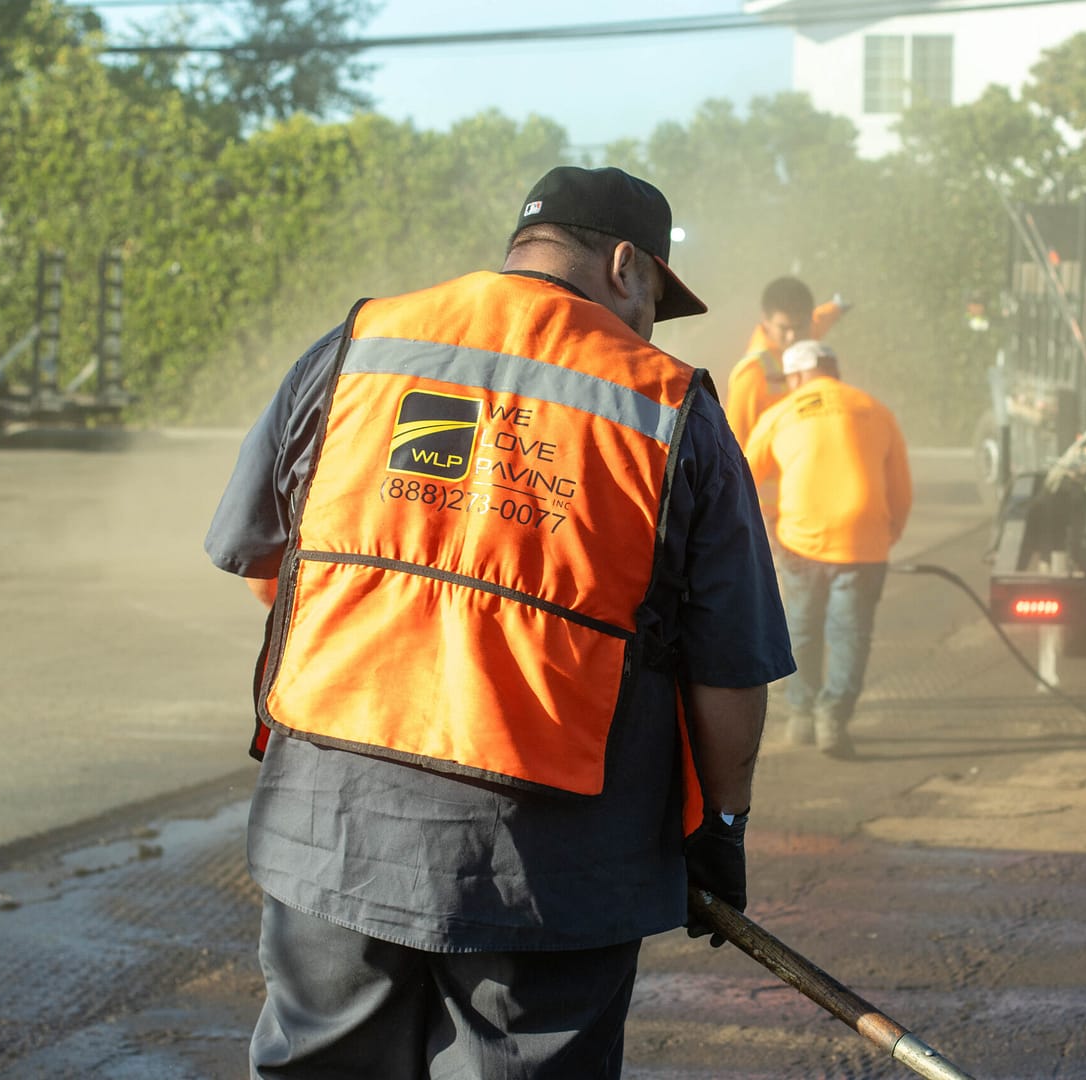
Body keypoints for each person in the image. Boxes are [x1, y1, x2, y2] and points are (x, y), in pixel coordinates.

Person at [204, 164, 793, 1080]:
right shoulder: (670, 407)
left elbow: (267, 566)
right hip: (550, 866)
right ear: (626, 265)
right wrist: (721, 826)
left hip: (332, 820)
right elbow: (728, 675)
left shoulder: (359, 345)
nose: (645, 325)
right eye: (654, 300)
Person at [743, 339, 911, 758]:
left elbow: (741, 474)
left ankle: (800, 716)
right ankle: (832, 717)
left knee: (800, 627)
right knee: (850, 634)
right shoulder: (875, 409)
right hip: (863, 543)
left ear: (798, 377)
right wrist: (887, 535)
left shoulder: (781, 412)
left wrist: (763, 521)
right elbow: (901, 489)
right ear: (833, 370)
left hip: (801, 542)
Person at [725, 276, 848, 451]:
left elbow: (822, 318)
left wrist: (838, 307)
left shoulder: (806, 333)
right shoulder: (752, 375)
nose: (792, 337)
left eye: (799, 327)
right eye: (784, 328)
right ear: (765, 322)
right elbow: (733, 446)